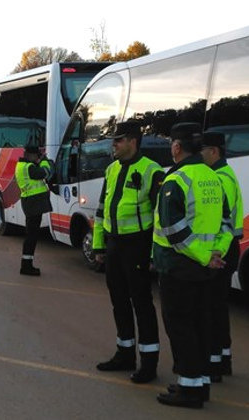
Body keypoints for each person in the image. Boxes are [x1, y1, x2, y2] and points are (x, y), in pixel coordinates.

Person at [153, 122, 230, 409]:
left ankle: (188, 388)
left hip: (180, 267)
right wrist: (214, 253)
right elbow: (226, 224)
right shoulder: (212, 178)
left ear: (176, 146)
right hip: (205, 268)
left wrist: (201, 255)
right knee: (199, 325)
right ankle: (200, 383)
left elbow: (174, 231)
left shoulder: (176, 180)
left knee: (181, 326)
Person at [93, 120, 165, 384]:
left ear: (133, 142)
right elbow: (102, 210)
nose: (113, 145)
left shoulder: (152, 171)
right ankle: (124, 354)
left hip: (138, 245)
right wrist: (99, 245)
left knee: (142, 305)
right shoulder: (111, 169)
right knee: (119, 302)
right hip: (114, 246)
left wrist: (153, 253)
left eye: (118, 140)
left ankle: (149, 363)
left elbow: (161, 217)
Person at [200, 131, 244, 382]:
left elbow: (223, 222)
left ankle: (215, 363)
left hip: (222, 249)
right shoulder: (225, 174)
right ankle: (222, 359)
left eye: (203, 150)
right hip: (226, 248)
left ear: (214, 151)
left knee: (211, 308)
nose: (199, 155)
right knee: (217, 307)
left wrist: (213, 252)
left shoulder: (219, 178)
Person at [15, 144, 54, 276]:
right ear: (31, 155)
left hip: (29, 202)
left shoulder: (21, 165)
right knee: (31, 236)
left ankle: (26, 264)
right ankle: (26, 266)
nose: (38, 158)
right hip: (33, 203)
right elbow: (44, 173)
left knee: (31, 235)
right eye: (37, 156)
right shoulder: (29, 167)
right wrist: (44, 162)